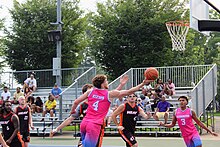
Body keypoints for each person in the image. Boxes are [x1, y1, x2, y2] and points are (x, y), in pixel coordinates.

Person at [70, 74, 153, 147]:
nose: (107, 82)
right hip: (94, 125)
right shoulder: (108, 94)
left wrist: (73, 111)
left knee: (83, 145)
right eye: (106, 81)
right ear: (102, 84)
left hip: (84, 123)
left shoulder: (90, 92)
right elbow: (129, 92)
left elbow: (76, 102)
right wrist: (143, 83)